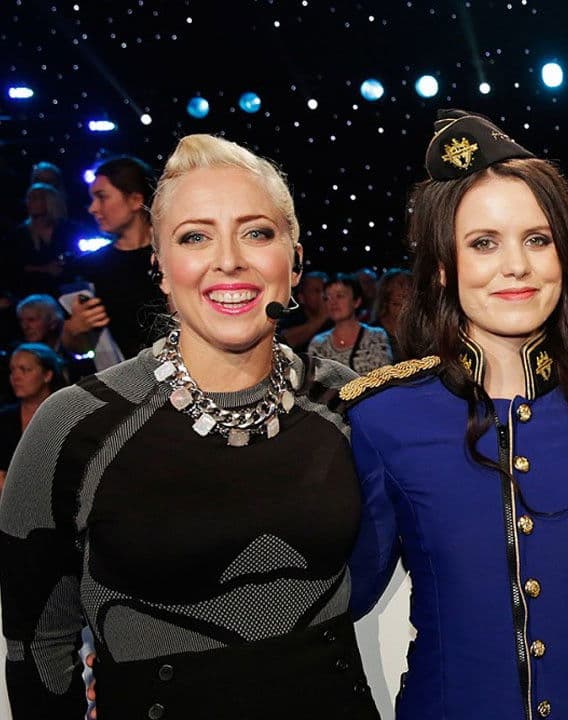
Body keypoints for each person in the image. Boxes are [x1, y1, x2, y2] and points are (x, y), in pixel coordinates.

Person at [0, 134, 380, 719]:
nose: (228, 260)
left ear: (295, 259)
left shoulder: (347, 401)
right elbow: (38, 647)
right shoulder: (74, 424)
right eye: (195, 237)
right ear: (159, 267)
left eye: (257, 233)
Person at [342, 110, 568, 719]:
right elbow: (339, 598)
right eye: (483, 243)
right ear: (444, 266)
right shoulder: (382, 419)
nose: (516, 265)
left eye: (537, 240)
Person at [63, 155, 167, 362]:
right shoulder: (89, 267)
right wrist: (73, 330)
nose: (93, 208)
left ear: (135, 200)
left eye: (102, 197)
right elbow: (80, 347)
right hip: (125, 377)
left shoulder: (174, 254)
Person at [0, 343, 63, 493]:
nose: (16, 377)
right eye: (13, 370)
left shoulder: (64, 416)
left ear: (47, 375)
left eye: (25, 370)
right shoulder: (4, 418)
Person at [308, 273, 393, 373]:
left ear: (356, 301)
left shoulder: (376, 336)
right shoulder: (318, 344)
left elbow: (383, 375)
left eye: (339, 296)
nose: (333, 302)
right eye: (327, 298)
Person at [279, 270, 332, 352]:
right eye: (317, 291)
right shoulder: (291, 319)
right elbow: (284, 341)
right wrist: (322, 317)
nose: (323, 295)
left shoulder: (337, 318)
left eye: (325, 290)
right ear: (301, 298)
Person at [372, 267, 412, 361]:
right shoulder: (372, 332)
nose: (403, 309)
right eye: (397, 304)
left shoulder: (420, 331)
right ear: (385, 301)